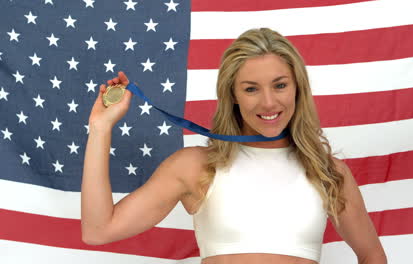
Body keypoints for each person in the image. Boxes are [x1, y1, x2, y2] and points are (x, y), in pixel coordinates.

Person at [81, 27, 387, 264]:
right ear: (233, 95)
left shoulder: (328, 172)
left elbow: (373, 255)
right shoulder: (196, 166)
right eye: (251, 89)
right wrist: (100, 128)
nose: (269, 102)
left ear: (297, 88)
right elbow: (98, 230)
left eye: (280, 85)